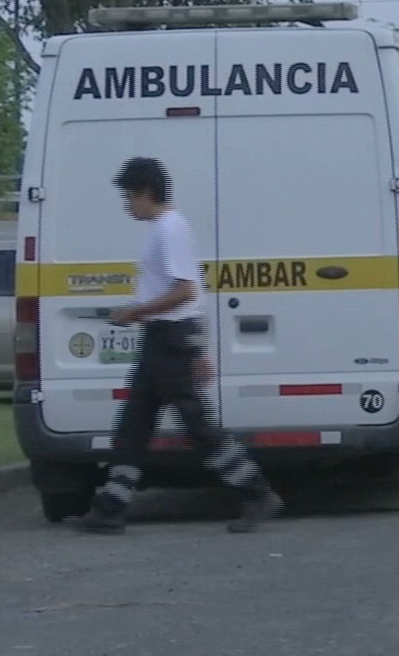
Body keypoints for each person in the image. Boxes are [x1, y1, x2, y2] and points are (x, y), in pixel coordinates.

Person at [76, 157, 283, 535]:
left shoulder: (168, 229)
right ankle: (111, 506)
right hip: (165, 339)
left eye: (129, 195)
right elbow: (194, 295)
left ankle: (255, 491)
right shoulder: (167, 228)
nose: (127, 204)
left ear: (146, 192)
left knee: (197, 426)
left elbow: (186, 290)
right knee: (134, 424)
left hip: (169, 341)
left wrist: (136, 313)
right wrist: (198, 345)